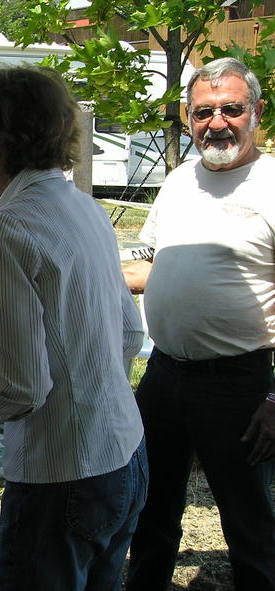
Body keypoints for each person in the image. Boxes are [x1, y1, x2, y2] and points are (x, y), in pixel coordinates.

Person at [0, 65, 147, 591]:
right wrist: (7, 343)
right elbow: (127, 335)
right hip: (125, 454)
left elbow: (20, 391)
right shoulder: (85, 208)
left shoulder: (6, 226)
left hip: (60, 477)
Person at [125, 57, 275, 591]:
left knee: (249, 523)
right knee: (149, 506)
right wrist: (86, 277)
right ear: (188, 117)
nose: (217, 123)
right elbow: (152, 263)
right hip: (163, 376)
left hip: (239, 384)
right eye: (203, 112)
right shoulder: (179, 181)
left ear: (256, 112)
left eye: (231, 110)